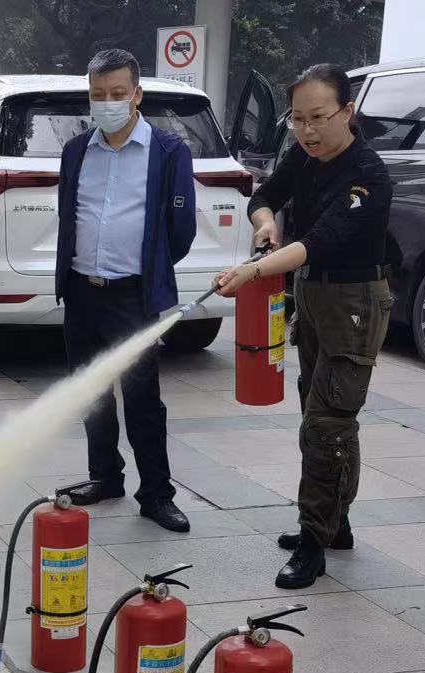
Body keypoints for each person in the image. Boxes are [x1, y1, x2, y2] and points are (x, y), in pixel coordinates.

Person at [214, 64, 393, 589]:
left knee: (326, 423)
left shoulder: (368, 174)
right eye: (297, 119)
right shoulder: (303, 155)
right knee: (322, 412)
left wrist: (253, 272)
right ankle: (336, 523)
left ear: (347, 112)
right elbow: (264, 195)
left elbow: (321, 240)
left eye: (318, 118)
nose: (308, 131)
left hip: (354, 303)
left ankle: (313, 542)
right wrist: (266, 222)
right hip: (312, 297)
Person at [55, 49, 195, 533]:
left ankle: (156, 494)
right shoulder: (77, 151)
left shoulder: (168, 152)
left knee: (142, 400)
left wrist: (150, 270)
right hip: (81, 291)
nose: (108, 102)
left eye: (118, 93)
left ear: (137, 94)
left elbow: (180, 230)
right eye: (98, 94)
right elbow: (69, 215)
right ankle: (105, 477)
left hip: (133, 296)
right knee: (91, 392)